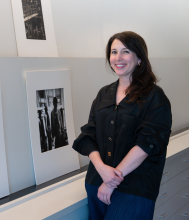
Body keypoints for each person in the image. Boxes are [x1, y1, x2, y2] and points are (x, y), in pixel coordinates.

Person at [72, 31, 172, 220]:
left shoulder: (154, 96)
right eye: (113, 52)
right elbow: (89, 135)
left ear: (139, 57)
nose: (118, 58)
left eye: (125, 52)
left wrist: (110, 182)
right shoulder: (104, 93)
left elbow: (146, 144)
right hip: (96, 182)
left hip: (134, 187)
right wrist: (101, 169)